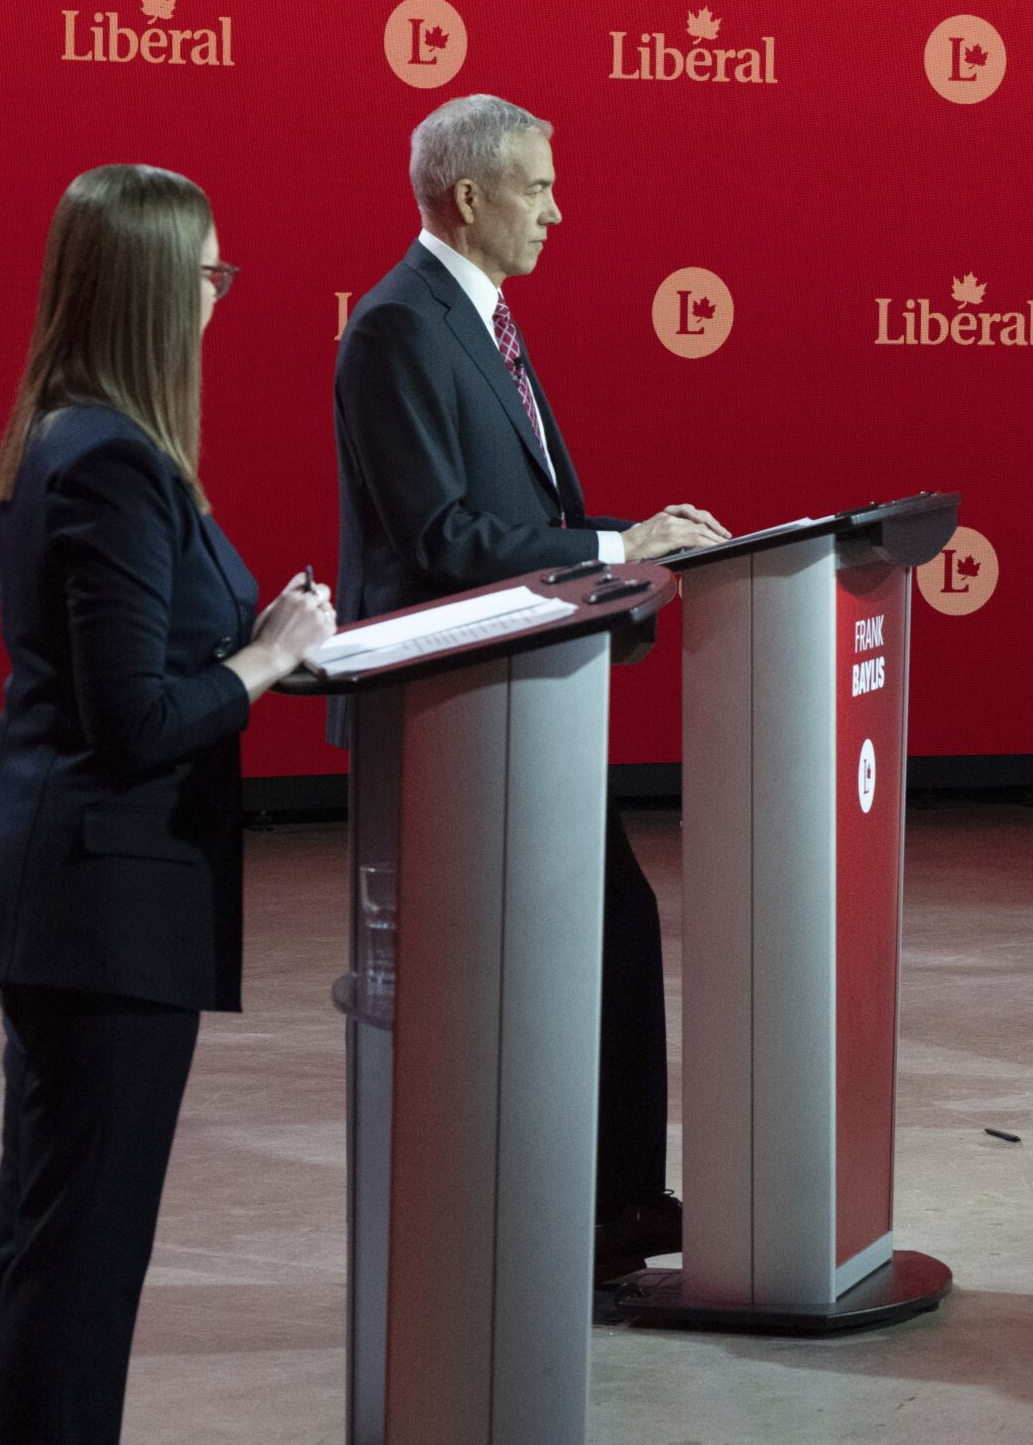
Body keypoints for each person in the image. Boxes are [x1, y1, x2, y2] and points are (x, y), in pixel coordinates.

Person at [0, 164, 337, 1444]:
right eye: (207, 273)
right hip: (102, 905)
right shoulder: (110, 458)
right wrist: (266, 661)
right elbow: (134, 720)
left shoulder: (85, 437)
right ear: (156, 288)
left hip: (82, 897)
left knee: (44, 1236)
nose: (219, 296)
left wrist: (254, 639)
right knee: (78, 1257)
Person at [332, 94, 727, 1281]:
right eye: (539, 187)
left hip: (524, 702)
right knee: (546, 954)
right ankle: (554, 1221)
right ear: (469, 197)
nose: (559, 208)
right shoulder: (400, 327)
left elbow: (521, 518)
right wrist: (616, 548)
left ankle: (616, 1202)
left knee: (611, 926)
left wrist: (623, 548)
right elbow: (444, 536)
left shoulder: (480, 317)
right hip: (453, 713)